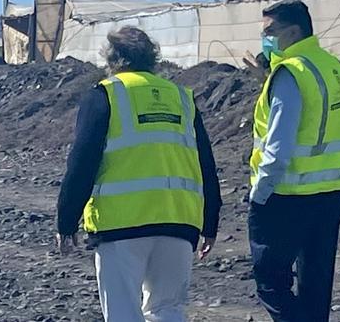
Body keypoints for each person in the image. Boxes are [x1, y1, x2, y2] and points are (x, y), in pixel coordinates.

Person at [57, 26, 221, 322]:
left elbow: (82, 162)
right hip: (179, 221)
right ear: (152, 58)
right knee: (167, 309)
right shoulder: (181, 98)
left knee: (123, 313)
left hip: (121, 225)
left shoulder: (105, 95)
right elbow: (205, 163)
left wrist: (67, 220)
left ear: (111, 59)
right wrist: (210, 221)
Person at [248, 0, 340, 322]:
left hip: (287, 195)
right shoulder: (333, 67)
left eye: (270, 32)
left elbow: (279, 144)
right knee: (315, 288)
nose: (264, 39)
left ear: (293, 32)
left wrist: (259, 192)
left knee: (270, 282)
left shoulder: (290, 74)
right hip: (331, 192)